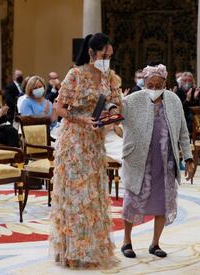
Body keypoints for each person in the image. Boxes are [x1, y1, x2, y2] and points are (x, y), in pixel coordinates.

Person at [50, 33, 118, 269]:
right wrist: (82, 121)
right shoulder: (75, 74)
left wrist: (112, 113)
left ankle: (91, 248)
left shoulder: (109, 76)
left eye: (109, 56)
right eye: (103, 55)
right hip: (75, 141)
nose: (106, 59)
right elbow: (59, 108)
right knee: (78, 196)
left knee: (93, 195)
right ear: (91, 52)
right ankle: (72, 252)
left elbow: (113, 103)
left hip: (95, 140)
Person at [120, 64, 194, 258]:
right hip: (138, 160)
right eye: (149, 84)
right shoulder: (133, 99)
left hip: (164, 161)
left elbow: (183, 132)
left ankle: (155, 243)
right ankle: (127, 242)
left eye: (157, 85)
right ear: (144, 83)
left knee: (162, 201)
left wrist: (188, 157)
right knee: (132, 200)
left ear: (165, 84)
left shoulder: (174, 100)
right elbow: (117, 114)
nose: (153, 88)